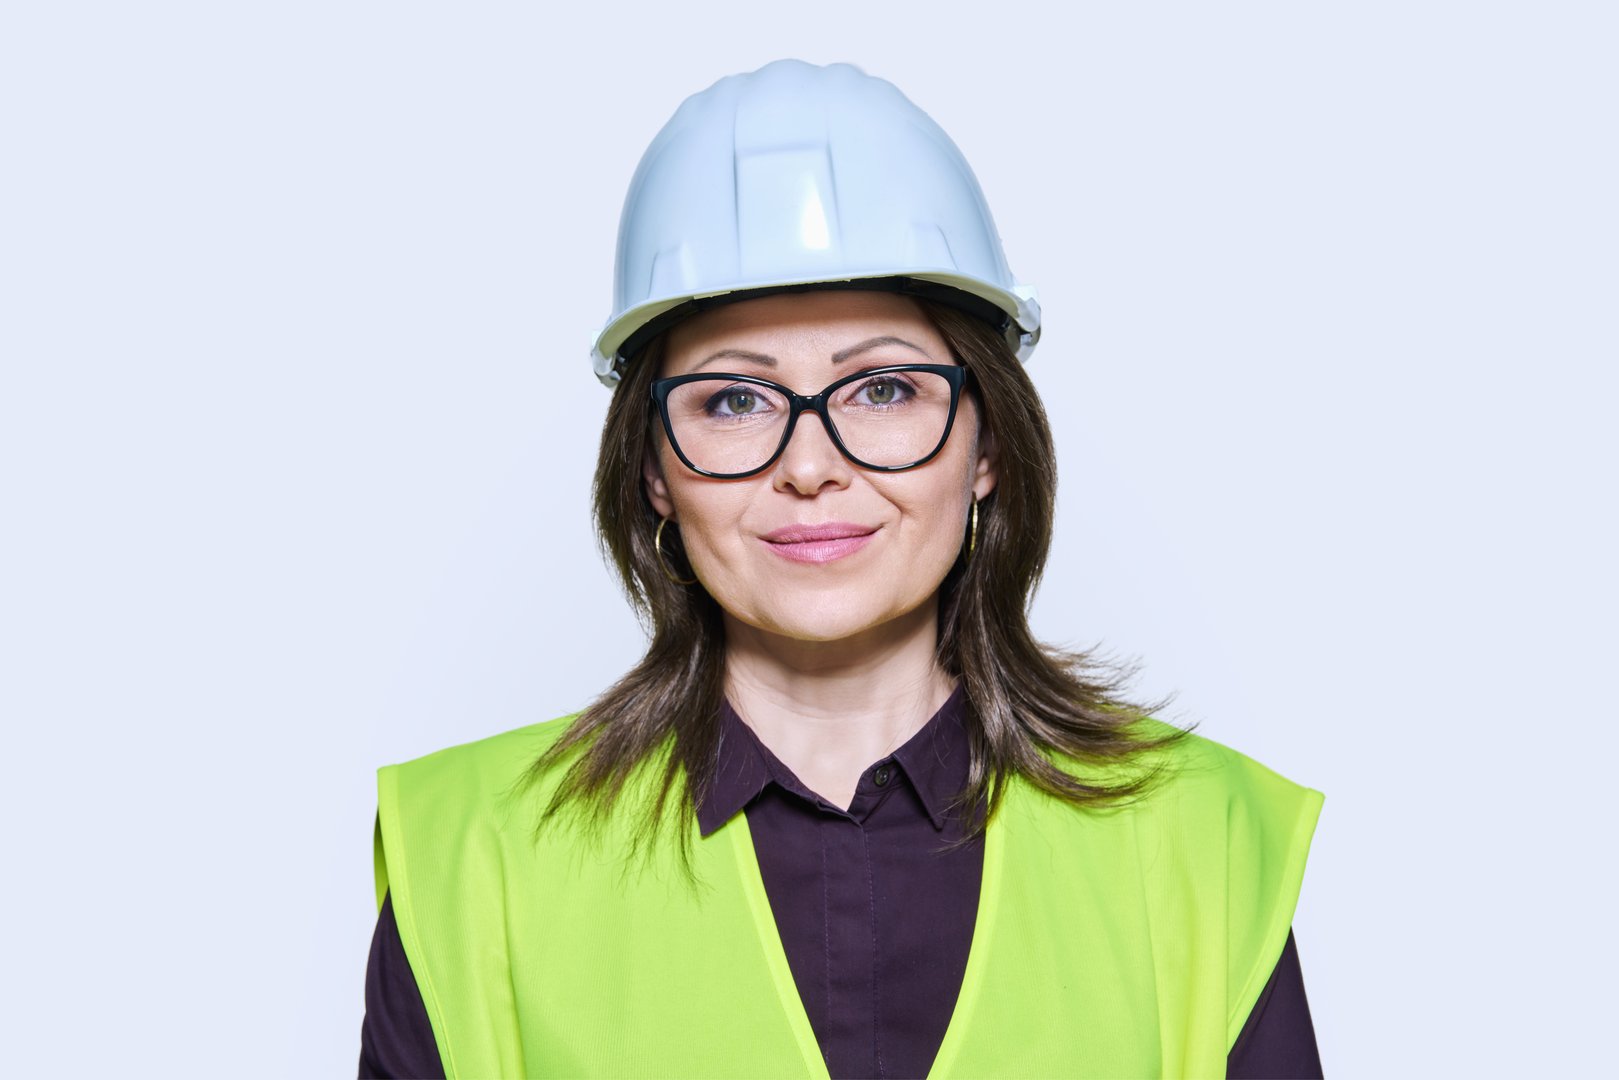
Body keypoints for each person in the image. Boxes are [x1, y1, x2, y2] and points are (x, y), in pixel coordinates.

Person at [359, 59, 1325, 1079]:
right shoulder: (468, 854)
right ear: (650, 467)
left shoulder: (1201, 839)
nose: (809, 467)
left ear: (984, 442)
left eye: (882, 389)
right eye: (733, 402)